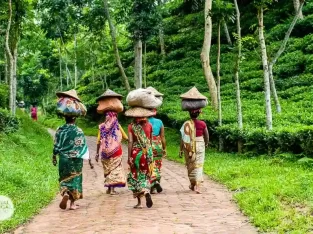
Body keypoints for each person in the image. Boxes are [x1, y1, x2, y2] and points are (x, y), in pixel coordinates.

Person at [52, 116, 89, 210]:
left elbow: (56, 144)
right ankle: (72, 204)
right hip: (76, 159)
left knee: (64, 178)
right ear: (75, 119)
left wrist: (54, 155)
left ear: (65, 118)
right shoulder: (79, 131)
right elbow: (83, 146)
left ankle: (65, 193)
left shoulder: (60, 130)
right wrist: (88, 159)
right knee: (75, 179)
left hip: (64, 158)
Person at [126, 107, 155, 209]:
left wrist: (129, 156)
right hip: (147, 153)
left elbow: (130, 141)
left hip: (136, 153)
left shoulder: (131, 126)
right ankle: (146, 190)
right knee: (146, 174)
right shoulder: (150, 125)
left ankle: (139, 203)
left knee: (136, 175)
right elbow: (150, 141)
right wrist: (149, 154)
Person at [95, 111, 128, 195]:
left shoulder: (101, 127)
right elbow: (126, 137)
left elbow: (98, 141)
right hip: (116, 152)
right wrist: (116, 141)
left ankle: (109, 189)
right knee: (114, 169)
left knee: (108, 169)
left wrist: (97, 153)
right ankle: (112, 190)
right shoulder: (117, 126)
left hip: (104, 152)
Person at [179, 109, 209, 194]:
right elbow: (206, 135)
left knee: (190, 164)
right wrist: (206, 144)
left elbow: (183, 138)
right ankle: (197, 186)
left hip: (188, 146)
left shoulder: (186, 124)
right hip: (200, 144)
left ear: (189, 114)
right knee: (199, 165)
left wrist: (181, 149)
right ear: (198, 114)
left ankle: (193, 184)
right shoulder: (202, 124)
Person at [148, 110, 166, 193]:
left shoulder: (144, 122)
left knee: (150, 165)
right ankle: (156, 181)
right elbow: (162, 136)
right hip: (158, 145)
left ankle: (153, 186)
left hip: (148, 144)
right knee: (157, 165)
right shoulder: (160, 122)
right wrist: (164, 148)